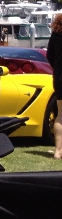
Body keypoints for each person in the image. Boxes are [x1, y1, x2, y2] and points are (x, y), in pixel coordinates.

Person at [48, 13, 62, 160]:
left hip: (59, 77)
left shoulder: (55, 36)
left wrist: (57, 68)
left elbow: (49, 56)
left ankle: (58, 151)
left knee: (60, 115)